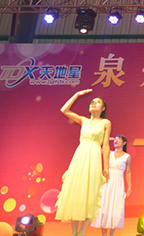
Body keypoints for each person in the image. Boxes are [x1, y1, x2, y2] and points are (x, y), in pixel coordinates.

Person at [55, 89, 111, 236]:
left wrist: (106, 167)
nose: (94, 103)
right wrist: (77, 95)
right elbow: (64, 110)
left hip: (94, 157)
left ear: (103, 108)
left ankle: (82, 232)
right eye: (92, 102)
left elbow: (105, 146)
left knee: (90, 192)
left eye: (98, 102)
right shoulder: (83, 120)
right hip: (80, 156)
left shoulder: (106, 123)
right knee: (76, 191)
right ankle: (74, 232)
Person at [91, 135, 132, 236]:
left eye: (119, 139)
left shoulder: (127, 157)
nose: (116, 141)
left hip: (118, 184)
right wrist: (104, 140)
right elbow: (96, 148)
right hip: (107, 183)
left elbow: (128, 172)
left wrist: (130, 186)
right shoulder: (108, 153)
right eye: (115, 139)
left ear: (124, 143)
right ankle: (104, 234)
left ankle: (111, 234)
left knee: (116, 208)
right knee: (104, 206)